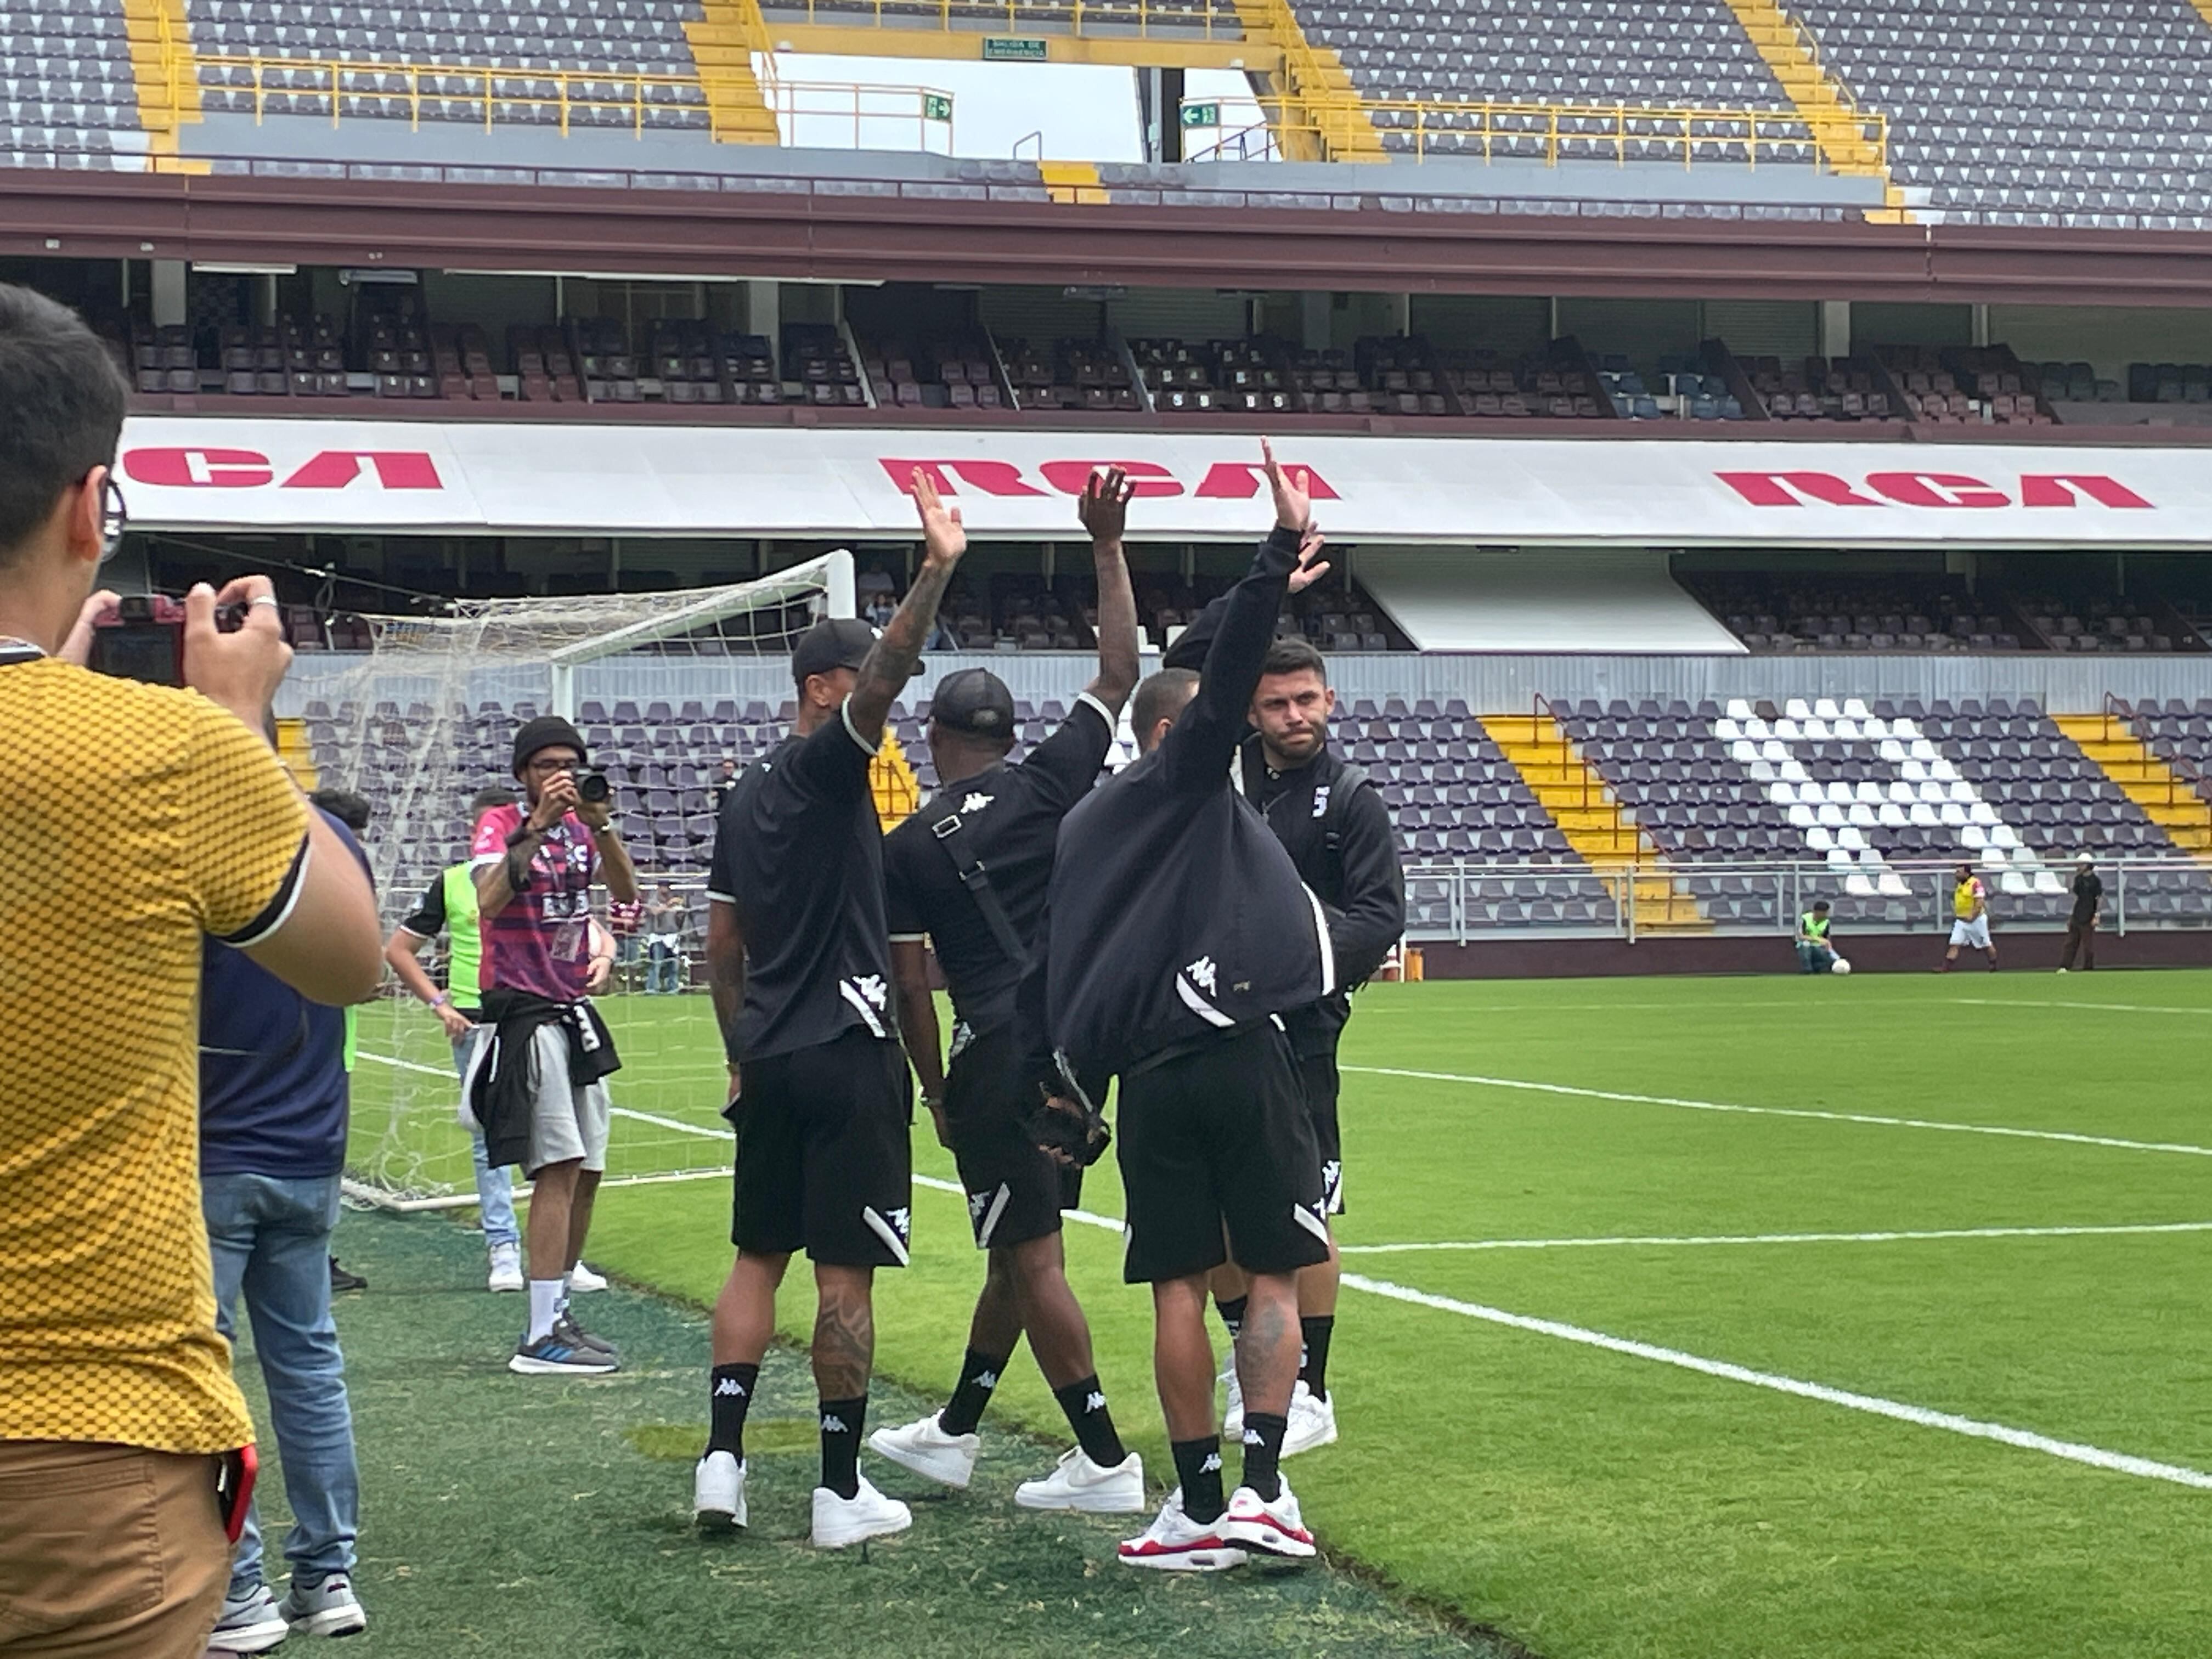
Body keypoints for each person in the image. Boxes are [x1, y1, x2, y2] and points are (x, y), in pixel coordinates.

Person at [0, 280, 381, 1659]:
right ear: (92, 509)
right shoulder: (170, 759)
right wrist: (238, 719)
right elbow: (348, 958)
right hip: (86, 1431)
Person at [1025, 441, 1334, 1572]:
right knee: (1266, 1274)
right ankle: (1259, 1490)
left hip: (1141, 1077)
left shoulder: (1081, 827)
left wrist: (1072, 1088)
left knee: (1168, 1286)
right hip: (1235, 1051)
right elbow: (1218, 678)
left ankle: (1193, 1503)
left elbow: (1074, 971)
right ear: (1175, 735)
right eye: (1217, 722)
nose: (1241, 731)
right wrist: (1271, 550)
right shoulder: (1184, 771)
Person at [693, 471, 964, 1550]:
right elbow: (889, 674)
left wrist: (739, 1051)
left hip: (767, 1050)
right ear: (826, 688)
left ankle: (723, 1463)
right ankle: (839, 1489)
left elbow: (723, 948)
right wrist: (937, 569)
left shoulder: (745, 792)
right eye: (863, 691)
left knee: (756, 1256)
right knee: (842, 1273)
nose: (886, 713)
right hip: (847, 1047)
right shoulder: (823, 765)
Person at [868, 469, 1145, 1513]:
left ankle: (1106, 1459)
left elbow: (910, 986)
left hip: (989, 1055)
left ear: (937, 739)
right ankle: (954, 1430)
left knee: (1031, 1258)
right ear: (1008, 731)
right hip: (1069, 1056)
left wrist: (935, 1090)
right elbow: (1119, 669)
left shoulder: (905, 847)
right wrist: (1105, 544)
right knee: (1017, 1244)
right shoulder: (1043, 780)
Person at [1179, 630, 1402, 1460]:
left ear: (1330, 701)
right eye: (1276, 702)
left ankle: (1311, 1387)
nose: (1294, 715)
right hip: (1219, 1027)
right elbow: (1194, 652)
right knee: (1225, 1215)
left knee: (1306, 1213)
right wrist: (1273, 595)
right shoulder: (1230, 773)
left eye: (1306, 699)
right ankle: (1253, 1361)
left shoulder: (1350, 797)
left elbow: (1381, 917)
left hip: (1301, 1035)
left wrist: (1296, 963)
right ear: (1251, 710)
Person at [196, 805, 377, 1652]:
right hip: (309, 1144)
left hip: (214, 1148)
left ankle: (238, 1588)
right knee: (309, 1365)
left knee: (202, 1375)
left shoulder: (190, 825)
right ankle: (327, 1574)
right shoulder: (331, 840)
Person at [467, 717, 639, 1374]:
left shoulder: (582, 829)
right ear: (523, 775)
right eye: (546, 766)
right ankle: (540, 1334)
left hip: (572, 1007)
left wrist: (599, 823)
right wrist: (535, 824)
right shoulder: (502, 825)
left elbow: (624, 893)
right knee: (558, 1168)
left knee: (589, 1167)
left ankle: (558, 1310)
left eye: (568, 763)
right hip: (528, 1013)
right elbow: (488, 900)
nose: (560, 776)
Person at [383, 788, 529, 1294]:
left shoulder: (534, 876)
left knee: (552, 1133)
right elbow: (399, 950)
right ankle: (503, 1245)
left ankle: (562, 1252)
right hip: (474, 1023)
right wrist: (438, 1004)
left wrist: (601, 951)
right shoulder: (449, 884)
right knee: (488, 1137)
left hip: (532, 1014)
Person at [308, 788, 375, 1297]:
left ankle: (316, 1256)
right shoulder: (318, 881)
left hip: (335, 1047)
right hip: (310, 1051)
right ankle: (312, 1260)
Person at [1938, 861, 1997, 971]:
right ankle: (1945, 967)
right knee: (1954, 944)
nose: (1956, 874)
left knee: (1986, 944)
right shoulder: (1960, 884)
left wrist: (1973, 916)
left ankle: (1993, 964)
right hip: (1961, 920)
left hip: (1977, 920)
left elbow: (1979, 901)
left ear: (1967, 873)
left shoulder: (1976, 883)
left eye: (1959, 872)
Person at [2058, 852, 2102, 972]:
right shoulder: (2078, 880)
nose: (2079, 867)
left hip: (2089, 916)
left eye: (2082, 864)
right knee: (2070, 943)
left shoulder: (2096, 881)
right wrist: (2072, 916)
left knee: (2088, 946)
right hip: (2077, 915)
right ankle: (2065, 966)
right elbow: (2077, 897)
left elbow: (2099, 898)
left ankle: (2088, 968)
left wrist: (2097, 915)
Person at [645, 884, 687, 994]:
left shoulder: (676, 902)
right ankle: (652, 988)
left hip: (672, 937)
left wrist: (681, 913)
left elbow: (680, 920)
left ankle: (673, 988)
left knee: (673, 966)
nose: (666, 889)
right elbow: (655, 912)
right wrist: (669, 905)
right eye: (663, 887)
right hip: (658, 937)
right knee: (656, 964)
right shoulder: (653, 902)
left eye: (667, 887)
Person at [1796, 900, 1838, 973]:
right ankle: (1807, 969)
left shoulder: (1826, 922)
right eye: (1823, 913)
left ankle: (1816, 967)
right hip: (1805, 945)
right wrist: (1817, 939)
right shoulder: (1805, 919)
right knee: (1805, 946)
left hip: (1819, 947)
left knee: (1831, 961)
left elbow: (1827, 940)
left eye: (1826, 912)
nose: (1826, 914)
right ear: (1816, 912)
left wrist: (1831, 951)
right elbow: (1800, 937)